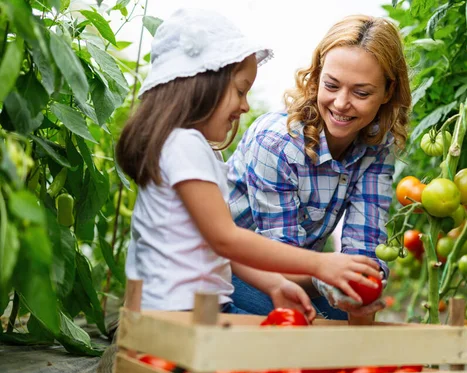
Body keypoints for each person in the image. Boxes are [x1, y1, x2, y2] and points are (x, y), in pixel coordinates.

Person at [115, 9, 381, 318]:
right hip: (174, 315)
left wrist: (272, 285)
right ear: (202, 85)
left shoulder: (199, 151)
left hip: (203, 309)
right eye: (240, 90)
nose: (244, 105)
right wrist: (321, 264)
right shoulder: (183, 146)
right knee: (293, 350)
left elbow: (218, 245)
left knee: (299, 336)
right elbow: (226, 239)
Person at [227, 14, 412, 320]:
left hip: (300, 271)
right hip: (231, 266)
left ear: (388, 92)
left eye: (361, 93)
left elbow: (364, 243)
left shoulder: (377, 148)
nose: (341, 103)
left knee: (338, 320)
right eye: (332, 85)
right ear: (315, 79)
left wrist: (363, 283)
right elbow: (279, 259)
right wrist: (334, 280)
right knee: (307, 327)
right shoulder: (278, 143)